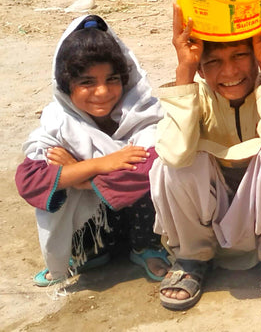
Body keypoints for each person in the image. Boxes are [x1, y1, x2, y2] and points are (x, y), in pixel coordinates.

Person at [149, 4, 261, 311]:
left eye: (240, 55)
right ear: (200, 68)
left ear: (257, 54)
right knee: (172, 166)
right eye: (213, 62)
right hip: (209, 212)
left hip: (259, 213)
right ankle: (193, 257)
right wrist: (184, 72)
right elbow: (173, 154)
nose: (230, 72)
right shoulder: (191, 90)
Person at [16, 15, 169, 287]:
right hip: (96, 226)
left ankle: (145, 247)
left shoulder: (144, 115)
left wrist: (75, 172)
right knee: (57, 184)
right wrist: (100, 164)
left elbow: (146, 171)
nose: (102, 91)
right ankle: (88, 251)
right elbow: (30, 181)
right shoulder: (59, 124)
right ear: (65, 86)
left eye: (112, 79)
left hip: (140, 221)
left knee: (160, 172)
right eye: (87, 82)